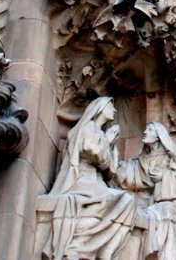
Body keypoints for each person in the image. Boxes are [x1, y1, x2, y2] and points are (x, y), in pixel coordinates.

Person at [41, 98, 137, 260]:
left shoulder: (100, 133)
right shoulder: (87, 127)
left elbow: (110, 170)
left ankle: (106, 250)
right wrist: (107, 141)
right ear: (100, 109)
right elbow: (93, 153)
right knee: (125, 201)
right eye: (111, 106)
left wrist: (109, 143)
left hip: (95, 182)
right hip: (82, 181)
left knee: (128, 202)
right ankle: (79, 247)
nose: (114, 110)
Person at [114, 123, 176, 260]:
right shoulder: (141, 160)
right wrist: (111, 150)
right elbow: (127, 173)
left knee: (175, 217)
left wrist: (164, 176)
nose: (145, 132)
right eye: (146, 129)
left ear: (158, 136)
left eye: (150, 130)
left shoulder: (170, 158)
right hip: (149, 205)